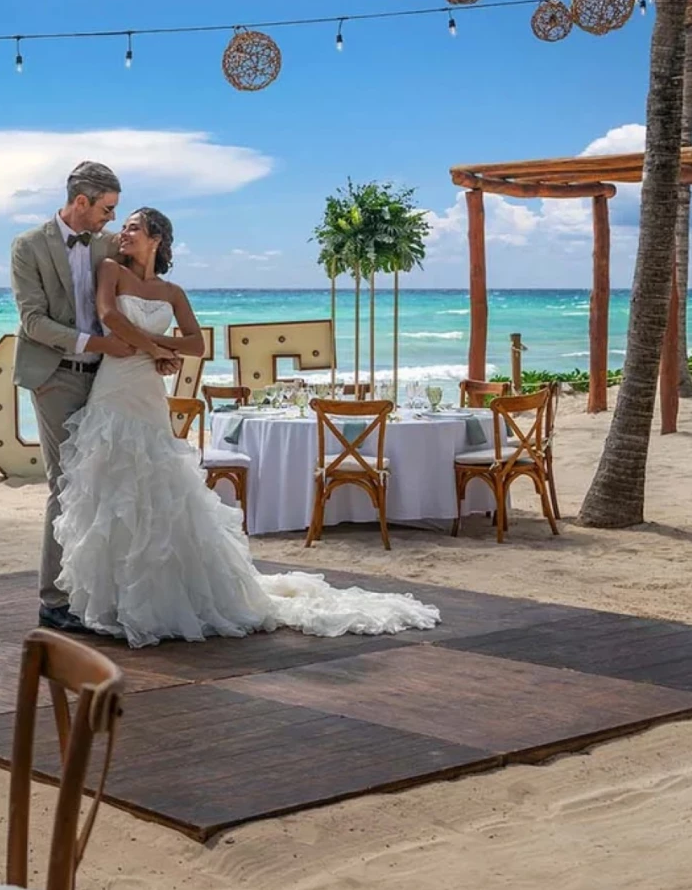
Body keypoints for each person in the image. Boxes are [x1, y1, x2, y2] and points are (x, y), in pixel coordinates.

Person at [52, 207, 440, 646]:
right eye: (123, 227)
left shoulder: (172, 291)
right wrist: (157, 351)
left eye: (134, 228)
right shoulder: (110, 270)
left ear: (156, 238)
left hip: (145, 392)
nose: (124, 233)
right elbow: (111, 319)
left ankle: (160, 599)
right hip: (115, 387)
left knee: (155, 484)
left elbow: (197, 344)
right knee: (111, 487)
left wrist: (156, 349)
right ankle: (112, 599)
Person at [9, 162, 192, 631]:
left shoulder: (110, 246)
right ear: (82, 202)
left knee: (109, 482)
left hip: (111, 378)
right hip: (56, 374)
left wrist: (154, 350)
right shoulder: (28, 247)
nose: (114, 221)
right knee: (67, 482)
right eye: (107, 210)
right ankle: (54, 600)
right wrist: (103, 344)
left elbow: (148, 278)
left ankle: (101, 592)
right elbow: (34, 323)